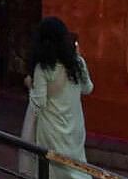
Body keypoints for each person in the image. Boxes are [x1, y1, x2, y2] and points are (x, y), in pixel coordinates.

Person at [25, 17, 93, 179]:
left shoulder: (43, 68)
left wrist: (30, 84)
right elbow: (88, 89)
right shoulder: (78, 62)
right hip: (74, 124)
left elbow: (38, 103)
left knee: (51, 169)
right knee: (76, 167)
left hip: (51, 127)